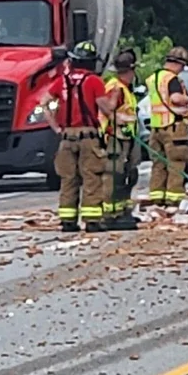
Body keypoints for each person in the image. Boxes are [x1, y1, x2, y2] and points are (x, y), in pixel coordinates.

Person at [42, 41, 115, 233]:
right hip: (88, 136)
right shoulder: (94, 81)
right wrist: (117, 118)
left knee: (68, 179)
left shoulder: (62, 81)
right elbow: (104, 107)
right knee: (92, 176)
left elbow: (45, 103)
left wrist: (56, 127)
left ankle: (68, 221)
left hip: (66, 137)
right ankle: (92, 220)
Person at [145, 46, 188, 207]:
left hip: (156, 128)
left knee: (158, 165)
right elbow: (175, 99)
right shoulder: (172, 79)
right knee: (177, 164)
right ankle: (174, 201)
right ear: (178, 63)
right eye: (182, 66)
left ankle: (157, 198)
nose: (182, 70)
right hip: (173, 128)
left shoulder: (153, 78)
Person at [100, 49, 141, 230]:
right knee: (113, 177)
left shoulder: (124, 88)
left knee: (127, 175)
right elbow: (108, 110)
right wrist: (120, 121)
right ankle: (110, 215)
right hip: (115, 138)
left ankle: (122, 211)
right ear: (129, 71)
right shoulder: (116, 88)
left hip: (126, 138)